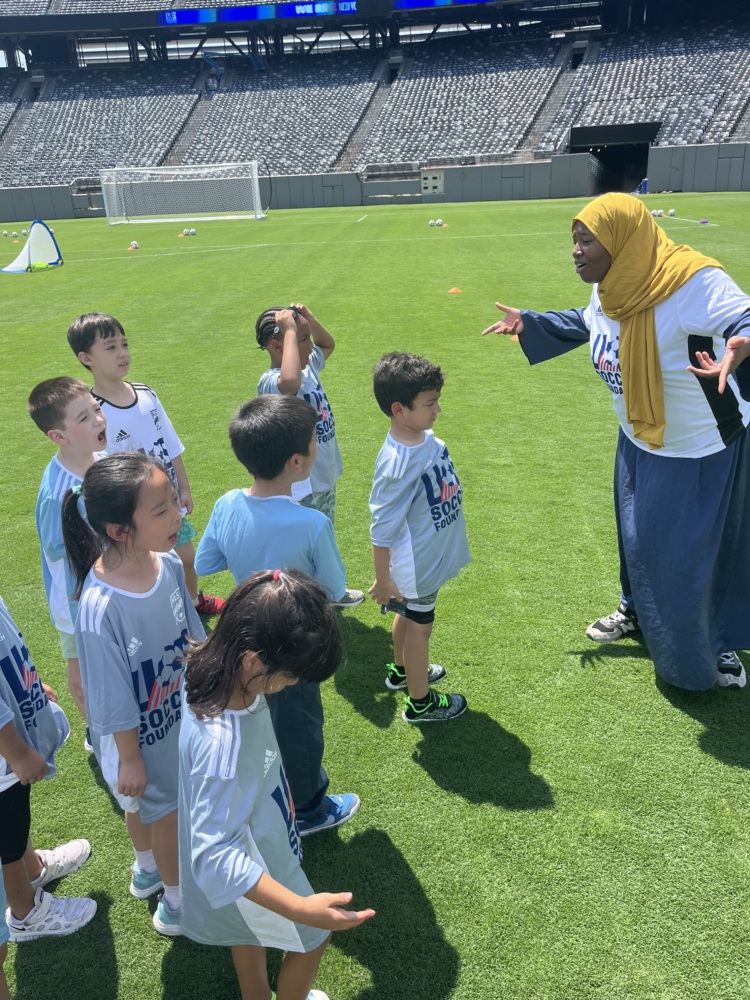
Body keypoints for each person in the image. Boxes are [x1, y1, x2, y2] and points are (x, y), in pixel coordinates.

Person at [482, 191, 750, 692]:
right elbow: (591, 322)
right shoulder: (613, 284)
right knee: (636, 537)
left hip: (698, 447)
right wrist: (533, 322)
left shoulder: (692, 281)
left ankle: (718, 639)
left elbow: (743, 316)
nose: (576, 251)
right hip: (638, 436)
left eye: (587, 240)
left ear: (622, 240)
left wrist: (743, 342)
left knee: (698, 552)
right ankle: (634, 607)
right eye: (575, 240)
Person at [179, 569, 375, 1000]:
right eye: (288, 678)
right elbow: (212, 856)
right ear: (253, 662)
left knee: (244, 929)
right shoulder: (222, 747)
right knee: (315, 935)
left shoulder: (206, 669)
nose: (288, 687)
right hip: (256, 860)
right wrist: (301, 908)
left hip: (257, 833)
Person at [195, 395, 361, 837]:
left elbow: (207, 561)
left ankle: (262, 798)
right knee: (299, 725)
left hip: (240, 641)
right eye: (313, 443)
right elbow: (335, 587)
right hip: (291, 647)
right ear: (296, 462)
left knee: (251, 721)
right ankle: (308, 809)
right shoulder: (311, 523)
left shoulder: (228, 502)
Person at [62, 452, 206, 936]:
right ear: (121, 530)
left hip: (174, 716)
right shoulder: (100, 606)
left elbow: (191, 631)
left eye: (173, 502)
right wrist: (129, 758)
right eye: (161, 509)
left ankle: (147, 869)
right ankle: (176, 902)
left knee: (153, 807)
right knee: (163, 810)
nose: (178, 514)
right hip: (137, 738)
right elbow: (109, 694)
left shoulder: (166, 566)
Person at [66, 312, 224, 617]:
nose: (123, 353)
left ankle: (192, 602)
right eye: (111, 347)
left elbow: (171, 442)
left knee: (187, 557)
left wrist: (184, 487)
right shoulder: (96, 412)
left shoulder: (146, 394)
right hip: (136, 511)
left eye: (124, 344)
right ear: (87, 358)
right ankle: (161, 615)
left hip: (168, 500)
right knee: (150, 566)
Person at [369, 353, 470, 723]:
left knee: (408, 618)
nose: (437, 410)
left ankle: (402, 672)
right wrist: (383, 578)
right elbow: (381, 526)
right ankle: (420, 702)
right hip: (418, 565)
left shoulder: (421, 438)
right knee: (420, 628)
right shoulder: (397, 463)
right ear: (399, 409)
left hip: (426, 557)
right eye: (429, 404)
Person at [0, 594, 96, 943]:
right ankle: (26, 913)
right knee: (6, 836)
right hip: (4, 751)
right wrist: (17, 752)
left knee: (15, 815)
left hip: (9, 745)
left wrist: (28, 687)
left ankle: (33, 870)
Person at [28, 376, 107, 748]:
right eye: (85, 418)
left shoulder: (102, 460)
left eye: (96, 408)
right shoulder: (57, 493)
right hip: (75, 600)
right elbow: (57, 550)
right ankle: (98, 731)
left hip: (109, 584)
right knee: (82, 668)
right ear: (58, 436)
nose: (98, 420)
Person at [255, 304, 342, 523]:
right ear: (277, 346)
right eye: (303, 340)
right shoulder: (270, 383)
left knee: (324, 538)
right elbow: (291, 381)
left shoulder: (308, 366)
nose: (311, 346)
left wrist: (309, 319)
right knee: (302, 550)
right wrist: (291, 331)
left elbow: (327, 345)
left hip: (324, 477)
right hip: (301, 489)